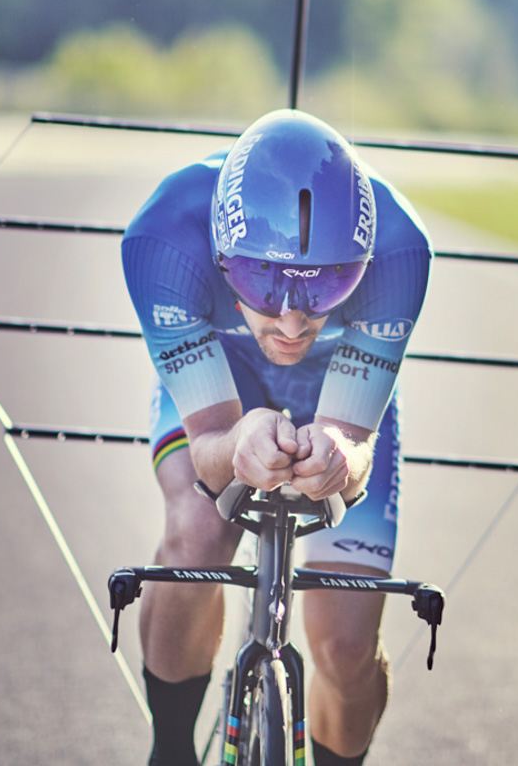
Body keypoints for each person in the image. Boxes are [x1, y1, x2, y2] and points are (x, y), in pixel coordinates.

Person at [121, 108, 431, 766]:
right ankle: (170, 751)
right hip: (223, 373)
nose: (291, 321)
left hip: (338, 385)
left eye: (329, 285)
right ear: (222, 253)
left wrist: (341, 458)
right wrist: (236, 442)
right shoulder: (163, 239)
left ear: (364, 259)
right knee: (198, 532)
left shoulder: (403, 248)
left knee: (347, 649)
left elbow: (354, 440)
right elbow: (208, 441)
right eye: (263, 284)